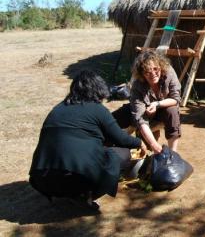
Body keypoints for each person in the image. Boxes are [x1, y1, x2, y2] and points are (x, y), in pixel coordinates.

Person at [29, 70, 147, 210]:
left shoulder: (58, 108)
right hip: (74, 178)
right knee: (122, 155)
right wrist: (139, 142)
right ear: (97, 89)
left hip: (42, 179)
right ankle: (85, 195)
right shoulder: (97, 109)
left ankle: (72, 192)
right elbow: (121, 139)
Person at [113, 51, 181, 154]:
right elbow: (140, 119)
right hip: (145, 115)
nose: (153, 74)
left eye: (155, 69)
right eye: (147, 72)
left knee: (172, 111)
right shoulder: (137, 86)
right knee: (119, 116)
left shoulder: (169, 73)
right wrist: (155, 146)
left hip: (164, 110)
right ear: (142, 74)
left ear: (161, 67)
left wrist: (157, 104)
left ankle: (174, 155)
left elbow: (175, 99)